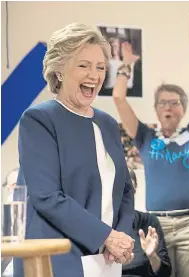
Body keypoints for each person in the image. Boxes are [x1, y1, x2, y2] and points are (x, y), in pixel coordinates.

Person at [13, 23, 135, 277]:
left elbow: (125, 190)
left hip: (106, 260)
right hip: (57, 259)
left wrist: (120, 238)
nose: (95, 75)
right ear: (59, 71)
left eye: (100, 67)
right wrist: (107, 236)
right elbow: (47, 196)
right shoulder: (39, 119)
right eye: (84, 65)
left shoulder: (109, 124)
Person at [113, 9, 189, 277]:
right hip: (157, 224)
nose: (168, 107)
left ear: (183, 109)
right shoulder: (146, 137)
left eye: (174, 102)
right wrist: (127, 64)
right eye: (162, 103)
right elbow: (119, 99)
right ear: (156, 110)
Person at [123, 170, 171, 277]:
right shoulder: (99, 224)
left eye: (129, 187)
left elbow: (165, 273)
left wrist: (152, 255)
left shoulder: (148, 222)